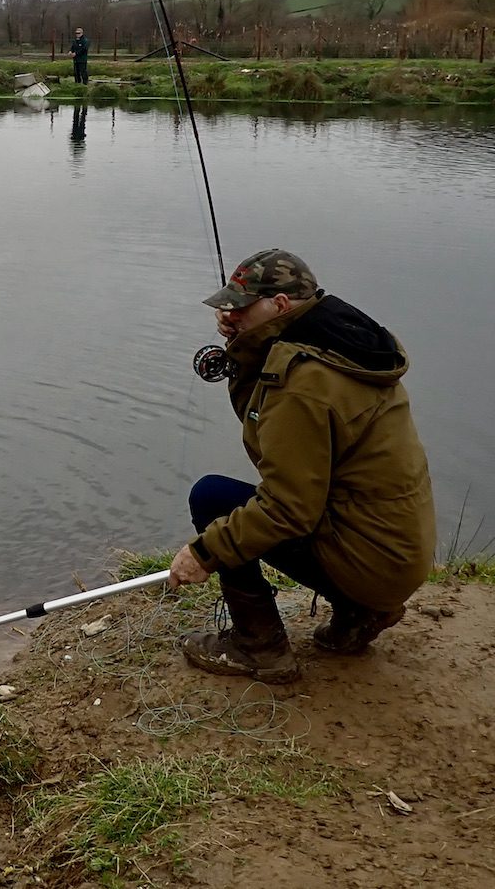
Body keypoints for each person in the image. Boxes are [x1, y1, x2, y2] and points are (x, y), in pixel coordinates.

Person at [167, 249, 435, 683]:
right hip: (398, 551)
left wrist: (204, 552)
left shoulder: (301, 384)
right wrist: (245, 340)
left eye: (241, 306)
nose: (228, 314)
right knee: (283, 499)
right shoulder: (345, 343)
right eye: (227, 306)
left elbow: (288, 508)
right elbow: (265, 419)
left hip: (373, 563)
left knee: (213, 498)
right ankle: (359, 612)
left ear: (280, 305)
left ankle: (259, 648)